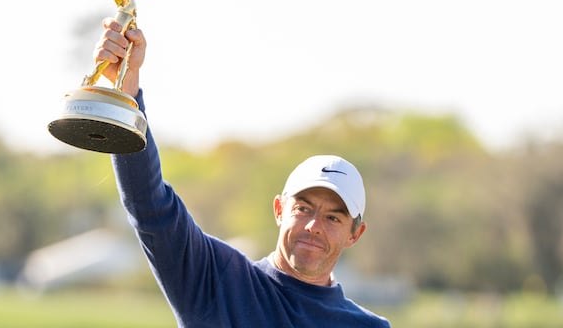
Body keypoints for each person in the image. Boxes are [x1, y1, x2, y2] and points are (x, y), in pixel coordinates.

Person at [93, 18, 391, 327]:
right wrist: (127, 94)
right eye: (303, 208)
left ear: (355, 234)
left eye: (333, 218)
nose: (314, 226)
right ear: (279, 209)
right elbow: (149, 205)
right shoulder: (218, 280)